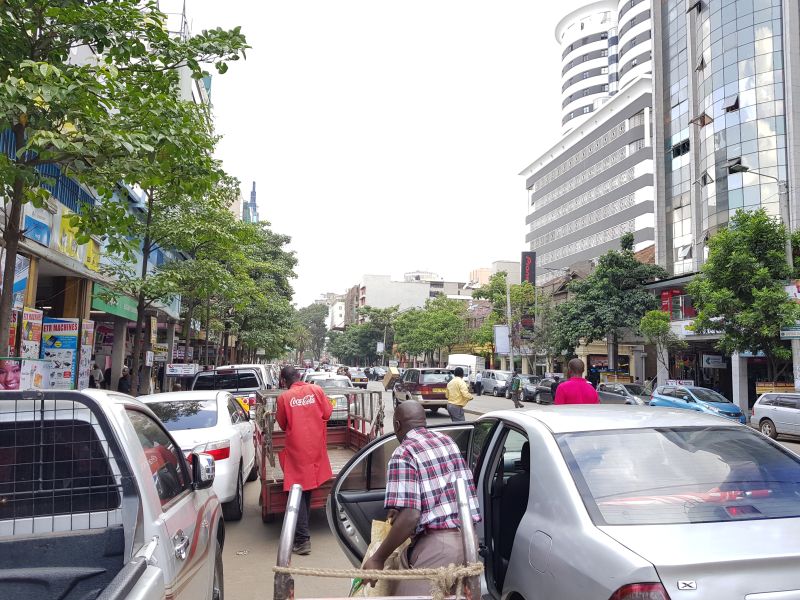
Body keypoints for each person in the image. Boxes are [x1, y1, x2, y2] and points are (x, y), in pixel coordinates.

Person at [362, 401, 480, 596]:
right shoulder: (446, 441)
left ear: (397, 425)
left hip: (437, 548)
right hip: (468, 542)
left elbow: (411, 516)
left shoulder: (404, 452)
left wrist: (378, 558)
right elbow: (440, 492)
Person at [276, 365, 333, 555]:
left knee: (297, 492)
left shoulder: (284, 397)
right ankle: (302, 534)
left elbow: (283, 424)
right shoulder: (316, 390)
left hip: (297, 450)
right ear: (300, 376)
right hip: (315, 448)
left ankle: (302, 539)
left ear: (284, 381)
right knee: (305, 489)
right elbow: (327, 413)